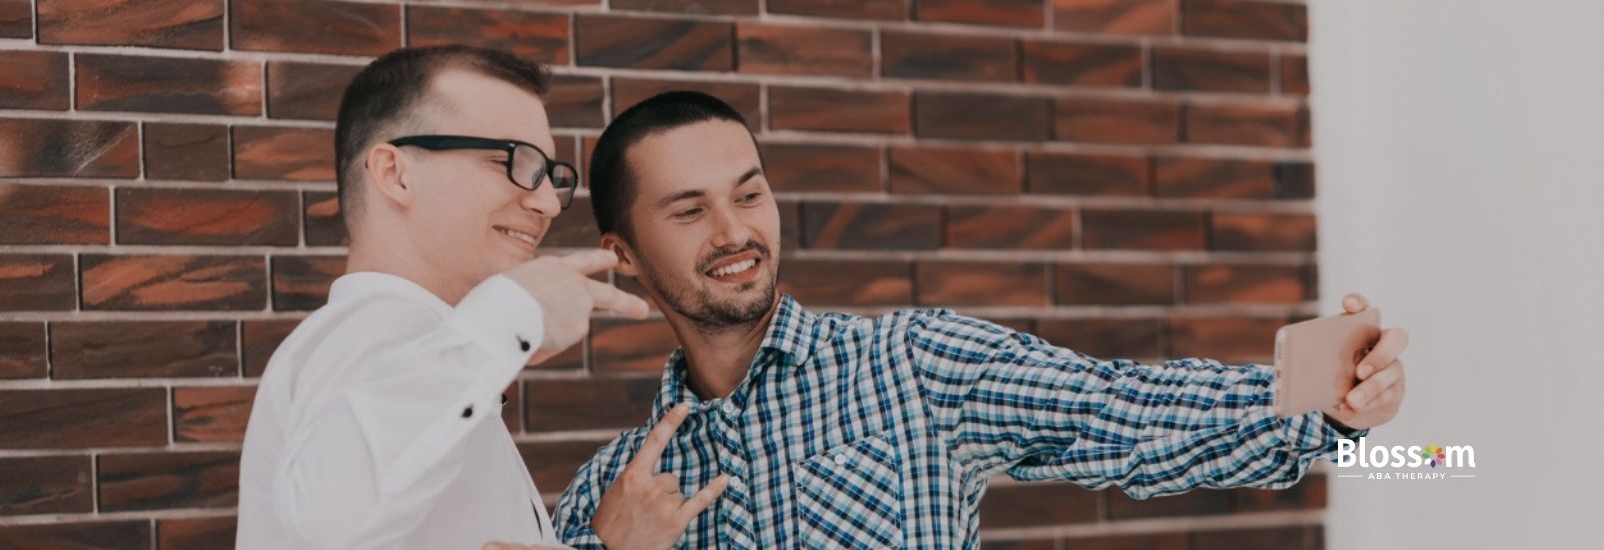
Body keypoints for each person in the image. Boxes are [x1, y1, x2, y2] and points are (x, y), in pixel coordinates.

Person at [552, 92, 1412, 549]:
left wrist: (1320, 405)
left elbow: (1118, 412)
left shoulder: (912, 364)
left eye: (750, 193)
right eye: (689, 211)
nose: (737, 232)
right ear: (624, 251)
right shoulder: (610, 492)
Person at [235, 45, 655, 549]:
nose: (547, 203)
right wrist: (508, 321)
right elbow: (330, 522)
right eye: (515, 161)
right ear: (396, 174)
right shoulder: (371, 333)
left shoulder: (420, 350)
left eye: (550, 175)